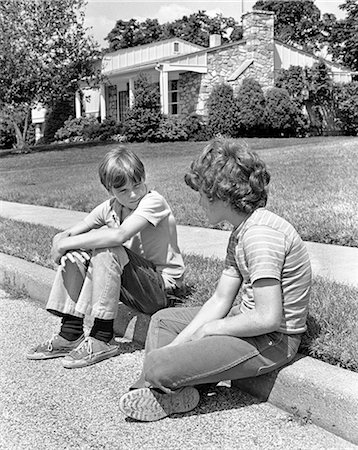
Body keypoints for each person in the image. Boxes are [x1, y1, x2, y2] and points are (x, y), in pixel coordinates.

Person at [119, 138, 312, 422]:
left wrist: (210, 330)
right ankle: (166, 386)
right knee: (164, 321)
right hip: (247, 323)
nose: (198, 201)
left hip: (273, 341)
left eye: (200, 194)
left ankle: (159, 381)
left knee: (159, 365)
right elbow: (220, 299)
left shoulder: (260, 235)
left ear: (219, 195)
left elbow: (269, 318)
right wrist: (186, 340)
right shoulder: (241, 231)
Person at [27, 147, 185, 369]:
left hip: (163, 290)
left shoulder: (153, 201)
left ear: (144, 178)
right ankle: (70, 333)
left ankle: (103, 337)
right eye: (123, 190)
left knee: (108, 247)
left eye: (137, 185)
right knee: (77, 253)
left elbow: (119, 235)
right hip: (133, 284)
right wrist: (59, 241)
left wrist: (64, 243)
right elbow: (74, 231)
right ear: (109, 190)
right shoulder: (111, 207)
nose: (133, 194)